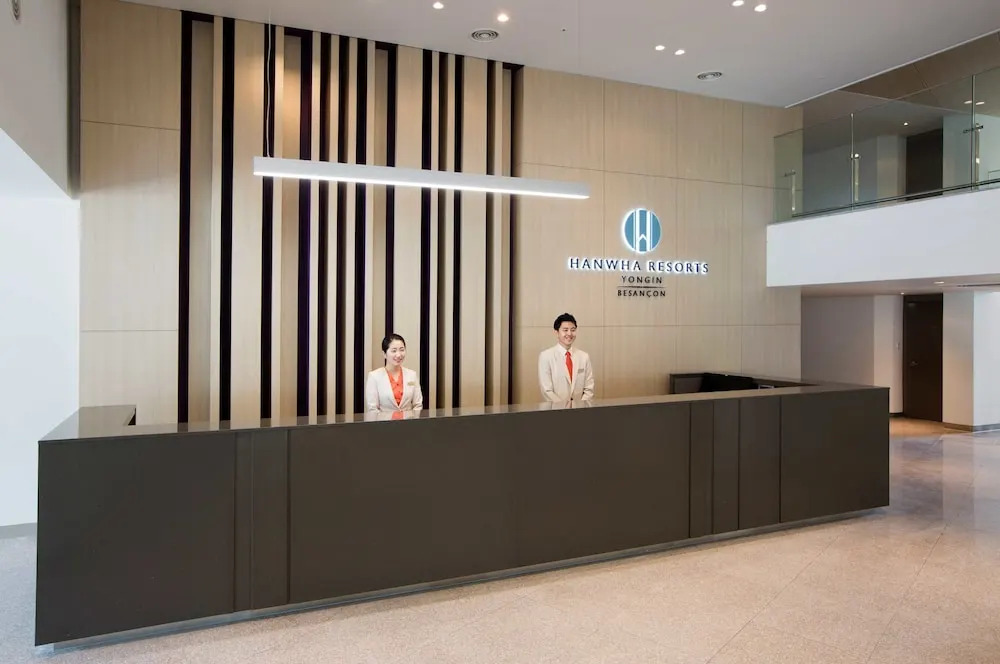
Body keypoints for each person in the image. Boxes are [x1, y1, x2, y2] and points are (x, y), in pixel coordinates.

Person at [538, 313, 594, 403]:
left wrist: (580, 407)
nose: (569, 333)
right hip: (555, 409)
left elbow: (589, 388)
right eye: (565, 330)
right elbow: (547, 391)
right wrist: (564, 408)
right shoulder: (546, 356)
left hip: (580, 408)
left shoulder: (584, 357)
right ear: (557, 332)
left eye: (573, 330)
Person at [365, 334, 423, 416]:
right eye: (394, 351)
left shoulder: (412, 375)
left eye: (402, 350)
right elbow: (372, 409)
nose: (398, 355)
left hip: (409, 422)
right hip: (384, 423)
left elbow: (417, 405)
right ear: (384, 354)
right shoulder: (374, 377)